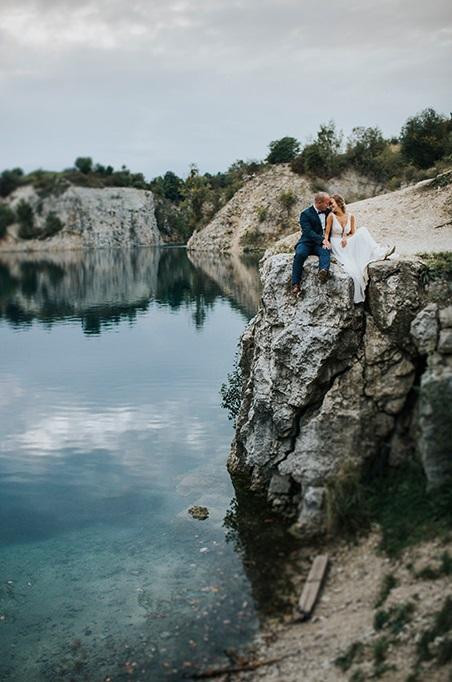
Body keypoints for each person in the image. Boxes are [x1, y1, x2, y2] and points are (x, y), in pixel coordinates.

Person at [324, 194, 395, 303]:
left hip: (346, 241)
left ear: (339, 203)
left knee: (362, 231)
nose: (330, 206)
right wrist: (326, 243)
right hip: (336, 244)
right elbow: (327, 234)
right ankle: (378, 251)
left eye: (331, 203)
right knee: (353, 270)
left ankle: (378, 251)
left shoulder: (350, 216)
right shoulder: (330, 216)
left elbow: (352, 233)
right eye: (329, 205)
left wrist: (345, 238)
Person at [291, 192, 332, 296]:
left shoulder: (329, 212)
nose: (329, 205)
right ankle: (295, 284)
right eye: (327, 203)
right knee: (300, 254)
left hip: (320, 244)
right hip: (307, 242)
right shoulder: (305, 214)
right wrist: (322, 240)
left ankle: (323, 271)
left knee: (325, 250)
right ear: (319, 202)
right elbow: (307, 232)